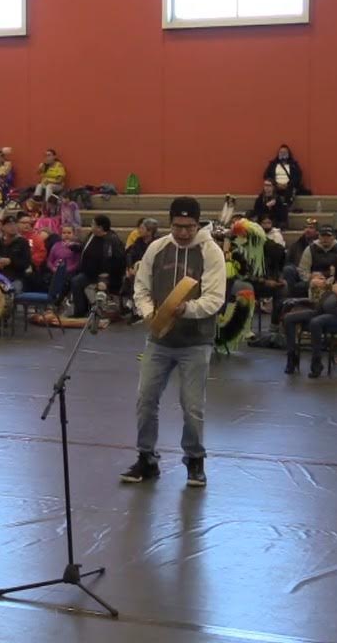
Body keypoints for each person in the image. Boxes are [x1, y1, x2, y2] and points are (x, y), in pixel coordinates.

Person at [120, 197, 225, 488]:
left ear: (198, 224)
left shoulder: (211, 252)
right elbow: (141, 287)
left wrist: (187, 309)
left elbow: (215, 299)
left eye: (189, 226)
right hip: (159, 341)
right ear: (170, 223)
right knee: (145, 400)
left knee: (192, 406)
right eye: (178, 226)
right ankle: (147, 458)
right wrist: (148, 312)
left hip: (196, 342)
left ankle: (194, 459)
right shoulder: (157, 248)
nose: (183, 233)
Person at [283, 255, 337, 377]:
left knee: (316, 322)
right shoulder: (330, 281)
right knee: (289, 318)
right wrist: (313, 287)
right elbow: (315, 300)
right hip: (322, 311)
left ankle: (316, 362)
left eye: (334, 266)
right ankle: (292, 356)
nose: (331, 268)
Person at [72, 214, 125, 317]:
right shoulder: (91, 235)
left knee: (77, 281)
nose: (91, 226)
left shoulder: (112, 240)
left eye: (93, 224)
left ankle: (83, 312)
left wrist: (106, 277)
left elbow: (119, 261)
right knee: (75, 281)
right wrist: (75, 247)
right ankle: (81, 311)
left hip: (104, 275)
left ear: (100, 228)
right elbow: (84, 247)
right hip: (88, 272)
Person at [0, 214, 32, 292]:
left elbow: (26, 263)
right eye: (9, 225)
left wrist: (11, 262)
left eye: (15, 225)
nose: (13, 227)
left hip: (15, 277)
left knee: (12, 290)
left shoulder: (23, 242)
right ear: (3, 227)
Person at [262, 144, 302, 226]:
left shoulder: (293, 164)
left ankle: (286, 206)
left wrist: (288, 184)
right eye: (281, 152)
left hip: (288, 186)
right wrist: (276, 184)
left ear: (288, 153)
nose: (283, 153)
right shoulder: (273, 164)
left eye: (285, 152)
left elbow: (298, 176)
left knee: (290, 190)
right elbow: (266, 175)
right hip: (275, 185)